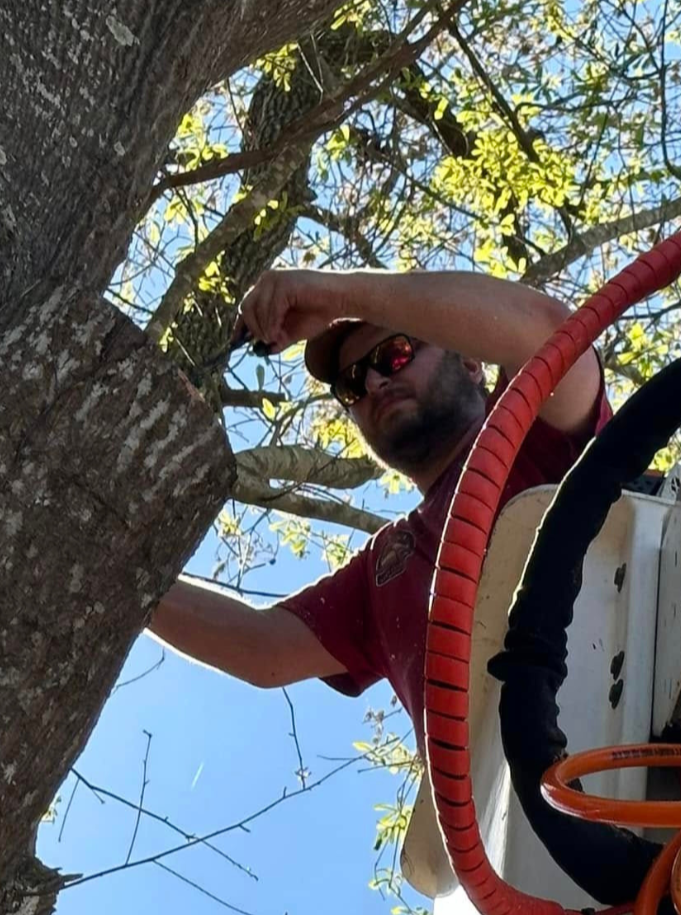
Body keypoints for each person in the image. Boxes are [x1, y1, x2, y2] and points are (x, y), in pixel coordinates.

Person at [148, 268, 611, 751]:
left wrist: (339, 296)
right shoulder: (384, 573)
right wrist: (118, 573)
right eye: (350, 386)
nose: (371, 382)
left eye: (394, 355)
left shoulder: (534, 423)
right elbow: (262, 647)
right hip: (518, 818)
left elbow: (550, 332)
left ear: (471, 363)